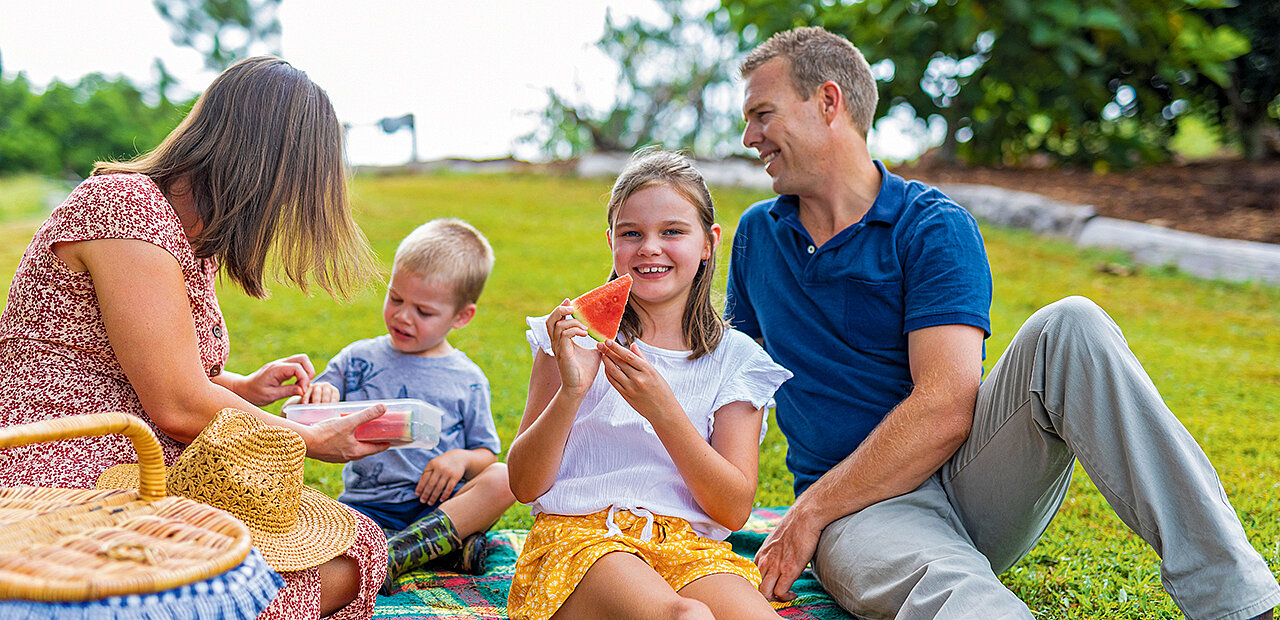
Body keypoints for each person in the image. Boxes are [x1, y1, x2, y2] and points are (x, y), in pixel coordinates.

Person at [724, 26, 1280, 620]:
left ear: (828, 102)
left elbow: (945, 407)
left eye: (762, 114)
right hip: (861, 514)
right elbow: (730, 381)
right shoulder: (759, 236)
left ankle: (1235, 603)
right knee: (952, 590)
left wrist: (805, 511)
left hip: (973, 481)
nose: (748, 136)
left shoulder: (932, 226)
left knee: (1073, 323)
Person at [0, 56, 393, 619]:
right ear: (266, 166)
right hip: (68, 463)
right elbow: (179, 403)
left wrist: (245, 387)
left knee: (354, 547)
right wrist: (306, 440)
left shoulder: (185, 232)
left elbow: (146, 367)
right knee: (315, 564)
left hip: (148, 449)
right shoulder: (125, 212)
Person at [506, 149, 793, 620]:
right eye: (631, 233)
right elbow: (523, 483)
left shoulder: (737, 360)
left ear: (708, 243)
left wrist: (662, 410)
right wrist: (572, 392)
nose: (649, 247)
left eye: (673, 231)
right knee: (686, 617)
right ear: (611, 243)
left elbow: (732, 510)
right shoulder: (570, 337)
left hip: (686, 546)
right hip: (580, 539)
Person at [290, 218, 516, 588]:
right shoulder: (357, 358)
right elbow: (316, 403)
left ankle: (392, 556)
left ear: (462, 316)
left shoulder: (467, 378)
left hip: (441, 508)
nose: (402, 316)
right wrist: (321, 391)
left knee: (504, 477)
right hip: (366, 507)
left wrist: (459, 459)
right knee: (311, 528)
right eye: (395, 298)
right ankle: (442, 550)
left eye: (423, 312)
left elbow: (485, 454)